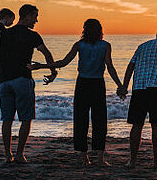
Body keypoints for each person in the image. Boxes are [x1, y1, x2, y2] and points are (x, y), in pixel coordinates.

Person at [39, 19, 123, 166]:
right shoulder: (105, 45)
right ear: (100, 30)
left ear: (85, 30)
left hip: (83, 84)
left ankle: (84, 157)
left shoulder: (80, 45)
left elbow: (63, 62)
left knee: (80, 120)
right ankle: (100, 158)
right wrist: (120, 85)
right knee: (100, 120)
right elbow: (110, 67)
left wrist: (43, 66)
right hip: (97, 84)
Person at [0, 4, 57, 164]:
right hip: (22, 80)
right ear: (26, 16)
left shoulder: (4, 33)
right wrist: (53, 72)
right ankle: (19, 154)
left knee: (7, 119)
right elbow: (46, 53)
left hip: (4, 81)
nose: (36, 20)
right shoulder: (32, 35)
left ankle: (7, 155)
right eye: (34, 16)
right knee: (26, 118)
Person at [119, 26, 157, 169]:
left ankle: (132, 161)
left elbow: (130, 66)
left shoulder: (142, 46)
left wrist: (124, 86)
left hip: (139, 87)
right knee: (156, 124)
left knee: (136, 125)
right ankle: (156, 161)